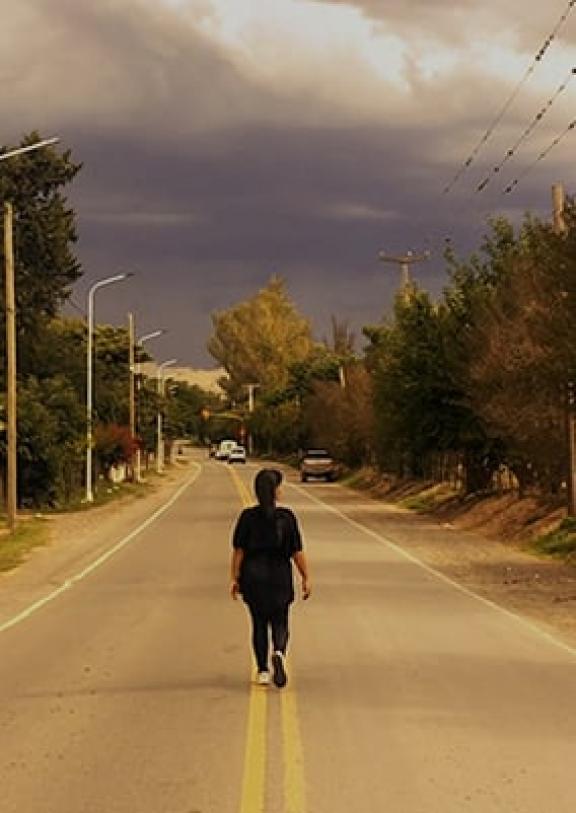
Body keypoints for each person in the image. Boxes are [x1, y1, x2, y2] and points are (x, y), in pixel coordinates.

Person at [230, 468, 311, 687]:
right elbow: (297, 552)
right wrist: (306, 577)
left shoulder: (247, 517)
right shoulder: (286, 517)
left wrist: (235, 578)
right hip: (279, 577)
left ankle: (263, 670)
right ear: (275, 491)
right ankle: (279, 651)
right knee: (280, 620)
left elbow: (239, 551)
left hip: (253, 576)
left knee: (258, 623)